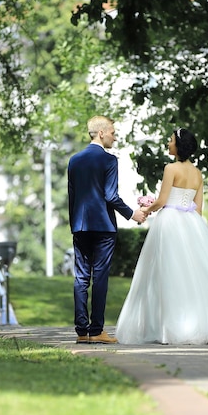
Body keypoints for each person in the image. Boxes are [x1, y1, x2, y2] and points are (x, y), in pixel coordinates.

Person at [115, 128, 208, 345]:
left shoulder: (170, 168)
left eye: (171, 139)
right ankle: (207, 327)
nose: (168, 142)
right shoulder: (197, 173)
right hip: (192, 223)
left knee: (167, 273)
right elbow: (199, 209)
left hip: (170, 222)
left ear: (178, 145)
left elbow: (163, 199)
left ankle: (169, 329)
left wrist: (147, 209)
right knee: (197, 275)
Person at [68, 115, 146, 344]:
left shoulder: (74, 160)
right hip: (103, 227)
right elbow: (110, 196)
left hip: (80, 226)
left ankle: (82, 332)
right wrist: (132, 214)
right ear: (101, 133)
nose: (115, 136)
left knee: (81, 277)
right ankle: (97, 331)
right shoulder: (109, 161)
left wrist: (75, 224)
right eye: (112, 132)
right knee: (100, 276)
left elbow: (72, 196)